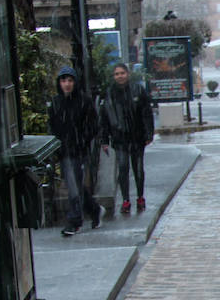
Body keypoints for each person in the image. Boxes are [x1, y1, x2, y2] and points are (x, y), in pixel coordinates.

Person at [47, 65, 100, 237]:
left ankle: (75, 220)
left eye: (70, 80)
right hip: (64, 150)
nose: (67, 84)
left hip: (78, 150)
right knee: (74, 184)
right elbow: (52, 126)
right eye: (64, 81)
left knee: (74, 186)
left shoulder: (84, 101)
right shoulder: (56, 103)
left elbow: (92, 125)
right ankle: (93, 209)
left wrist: (82, 140)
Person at [99, 62, 155, 214]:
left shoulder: (138, 90)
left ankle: (140, 196)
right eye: (117, 74)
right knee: (123, 169)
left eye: (122, 73)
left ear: (127, 74)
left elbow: (146, 113)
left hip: (137, 137)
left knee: (138, 168)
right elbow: (104, 118)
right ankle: (125, 199)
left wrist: (149, 133)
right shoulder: (110, 93)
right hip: (120, 139)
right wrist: (104, 139)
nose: (120, 76)